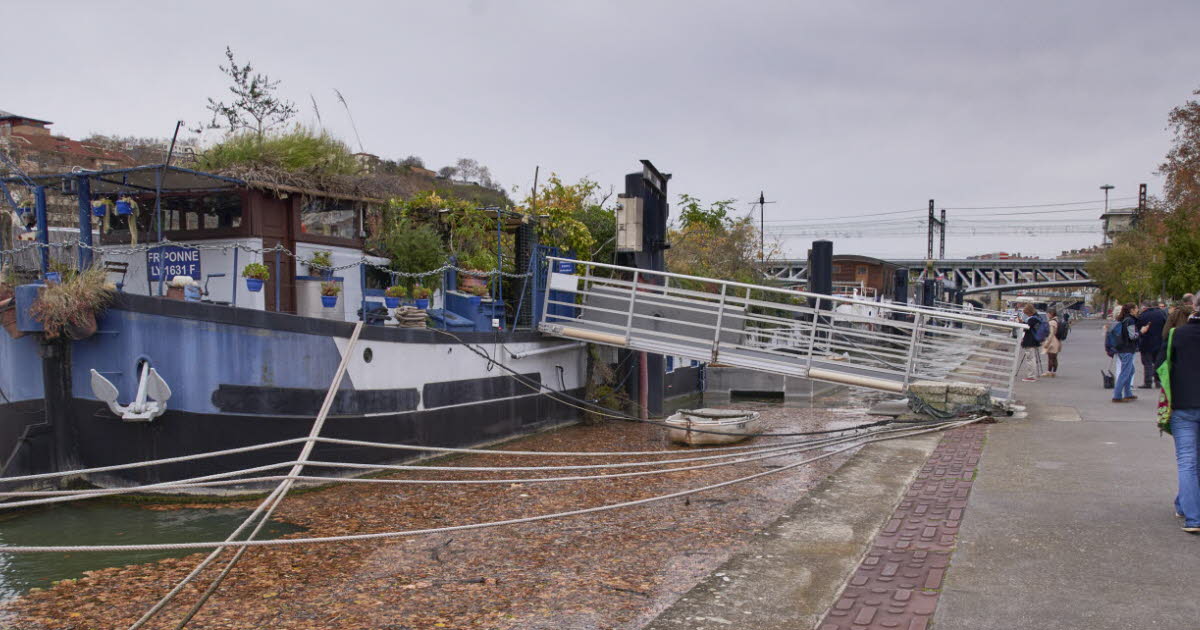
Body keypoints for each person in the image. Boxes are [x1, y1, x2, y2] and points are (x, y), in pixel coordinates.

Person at [1159, 293, 1200, 533]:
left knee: (1187, 462)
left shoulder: (1177, 335)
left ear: (1194, 307)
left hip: (1183, 404)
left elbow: (1159, 367)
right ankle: (1185, 506)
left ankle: (1192, 516)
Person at [1111, 303, 1140, 402]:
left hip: (1122, 348)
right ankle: (1117, 395)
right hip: (1127, 349)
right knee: (1125, 372)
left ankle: (1128, 393)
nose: (1137, 309)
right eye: (1136, 308)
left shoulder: (1123, 319)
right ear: (1131, 310)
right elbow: (1133, 336)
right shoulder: (1130, 320)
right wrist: (1142, 332)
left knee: (1130, 371)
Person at [1138, 300, 1167, 389]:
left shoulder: (1142, 315)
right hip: (1159, 341)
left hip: (1146, 342)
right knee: (1158, 362)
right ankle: (1158, 381)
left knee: (1147, 363)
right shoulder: (1161, 313)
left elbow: (1139, 328)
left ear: (1144, 307)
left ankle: (1148, 382)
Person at [1018, 304, 1044, 382]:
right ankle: (1032, 375)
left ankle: (1031, 376)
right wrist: (1023, 322)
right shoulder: (1038, 318)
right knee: (1032, 358)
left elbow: (1026, 328)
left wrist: (1021, 323)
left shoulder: (1032, 319)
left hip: (1030, 340)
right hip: (1035, 340)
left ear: (1029, 312)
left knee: (1030, 358)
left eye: (1026, 313)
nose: (1026, 315)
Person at [1041, 307, 1062, 377]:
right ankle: (1054, 372)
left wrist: (1047, 343)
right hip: (1057, 340)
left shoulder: (1052, 322)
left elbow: (1051, 333)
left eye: (1048, 313)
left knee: (1050, 357)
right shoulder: (1057, 320)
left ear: (1051, 313)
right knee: (1055, 358)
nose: (1047, 315)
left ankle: (1049, 372)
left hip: (1052, 341)